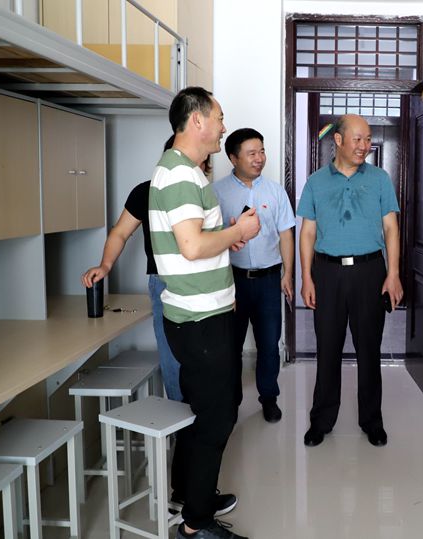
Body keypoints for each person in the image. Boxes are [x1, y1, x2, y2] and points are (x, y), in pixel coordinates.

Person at [149, 86, 260, 539]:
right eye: (218, 118)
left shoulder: (185, 171)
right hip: (199, 321)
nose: (222, 127)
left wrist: (227, 236)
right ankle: (196, 523)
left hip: (202, 315)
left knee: (214, 408)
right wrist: (239, 229)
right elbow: (192, 246)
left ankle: (195, 495)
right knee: (218, 416)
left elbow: (195, 242)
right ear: (196, 120)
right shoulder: (180, 174)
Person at [297, 114, 404, 448]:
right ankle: (321, 420)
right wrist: (306, 277)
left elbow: (391, 228)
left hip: (369, 271)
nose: (364, 146)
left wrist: (393, 273)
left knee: (369, 349)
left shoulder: (380, 179)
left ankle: (372, 421)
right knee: (327, 348)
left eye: (368, 139)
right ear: (339, 140)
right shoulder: (316, 182)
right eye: (357, 139)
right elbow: (308, 232)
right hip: (327, 272)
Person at [81, 136, 211, 403]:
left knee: (206, 352)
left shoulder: (206, 193)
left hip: (205, 281)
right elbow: (120, 232)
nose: (201, 165)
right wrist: (105, 265)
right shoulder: (146, 191)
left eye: (204, 160)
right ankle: (180, 417)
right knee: (172, 353)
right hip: (164, 282)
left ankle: (205, 415)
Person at [212, 128, 295, 423]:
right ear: (233, 158)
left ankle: (269, 398)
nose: (259, 158)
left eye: (262, 151)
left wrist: (288, 273)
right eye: (251, 153)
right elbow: (209, 238)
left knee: (269, 345)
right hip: (231, 280)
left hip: (269, 280)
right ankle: (230, 401)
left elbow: (286, 234)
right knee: (230, 346)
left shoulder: (275, 191)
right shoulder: (216, 192)